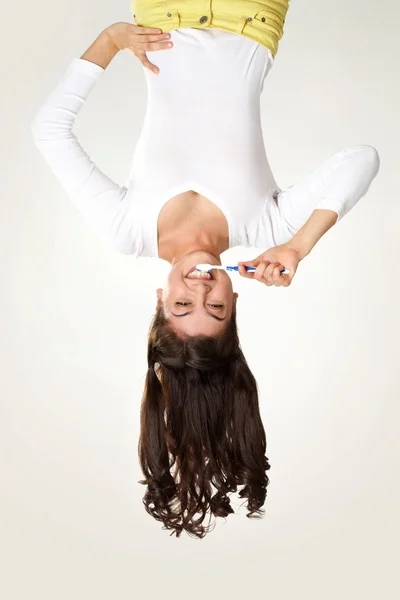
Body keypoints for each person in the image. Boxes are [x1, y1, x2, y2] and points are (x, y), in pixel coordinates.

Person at [31, 0, 380, 538]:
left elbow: (50, 132)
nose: (200, 287)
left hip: (164, 9)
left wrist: (110, 41)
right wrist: (298, 247)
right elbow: (363, 158)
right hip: (252, 13)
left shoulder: (126, 229)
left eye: (182, 305)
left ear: (158, 301)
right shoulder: (267, 227)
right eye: (214, 307)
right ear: (235, 302)